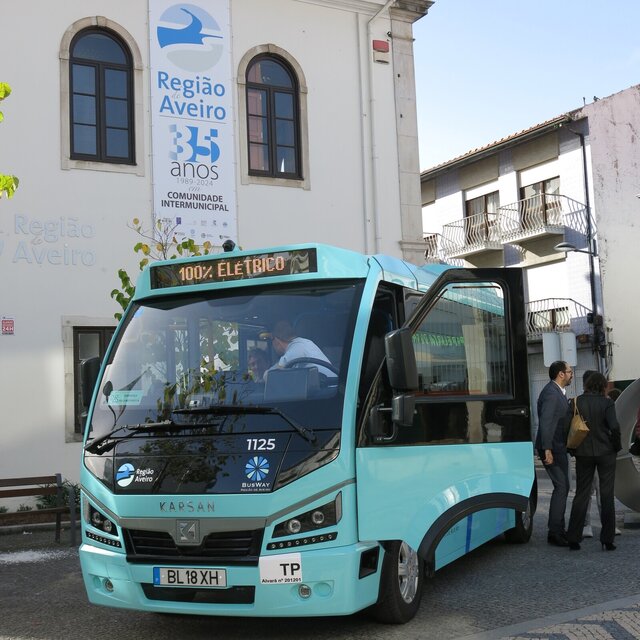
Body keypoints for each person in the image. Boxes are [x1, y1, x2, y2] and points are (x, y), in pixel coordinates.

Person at [566, 372, 622, 551]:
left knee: (582, 494)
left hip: (583, 452)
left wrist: (572, 449)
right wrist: (616, 447)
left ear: (587, 385)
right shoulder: (607, 403)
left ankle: (574, 537)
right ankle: (607, 539)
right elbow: (614, 427)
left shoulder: (576, 402)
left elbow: (567, 427)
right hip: (605, 452)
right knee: (606, 494)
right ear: (603, 385)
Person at [535, 360, 574, 546]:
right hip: (552, 448)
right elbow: (546, 422)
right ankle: (555, 532)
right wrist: (547, 449)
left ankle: (558, 529)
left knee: (563, 487)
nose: (571, 374)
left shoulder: (556, 392)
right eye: (569, 371)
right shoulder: (551, 393)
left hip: (558, 446)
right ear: (561, 374)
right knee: (562, 487)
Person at [266, 320, 335, 378]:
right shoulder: (306, 342)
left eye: (271, 341)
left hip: (327, 390)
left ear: (276, 340)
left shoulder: (295, 349)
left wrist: (264, 374)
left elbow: (271, 376)